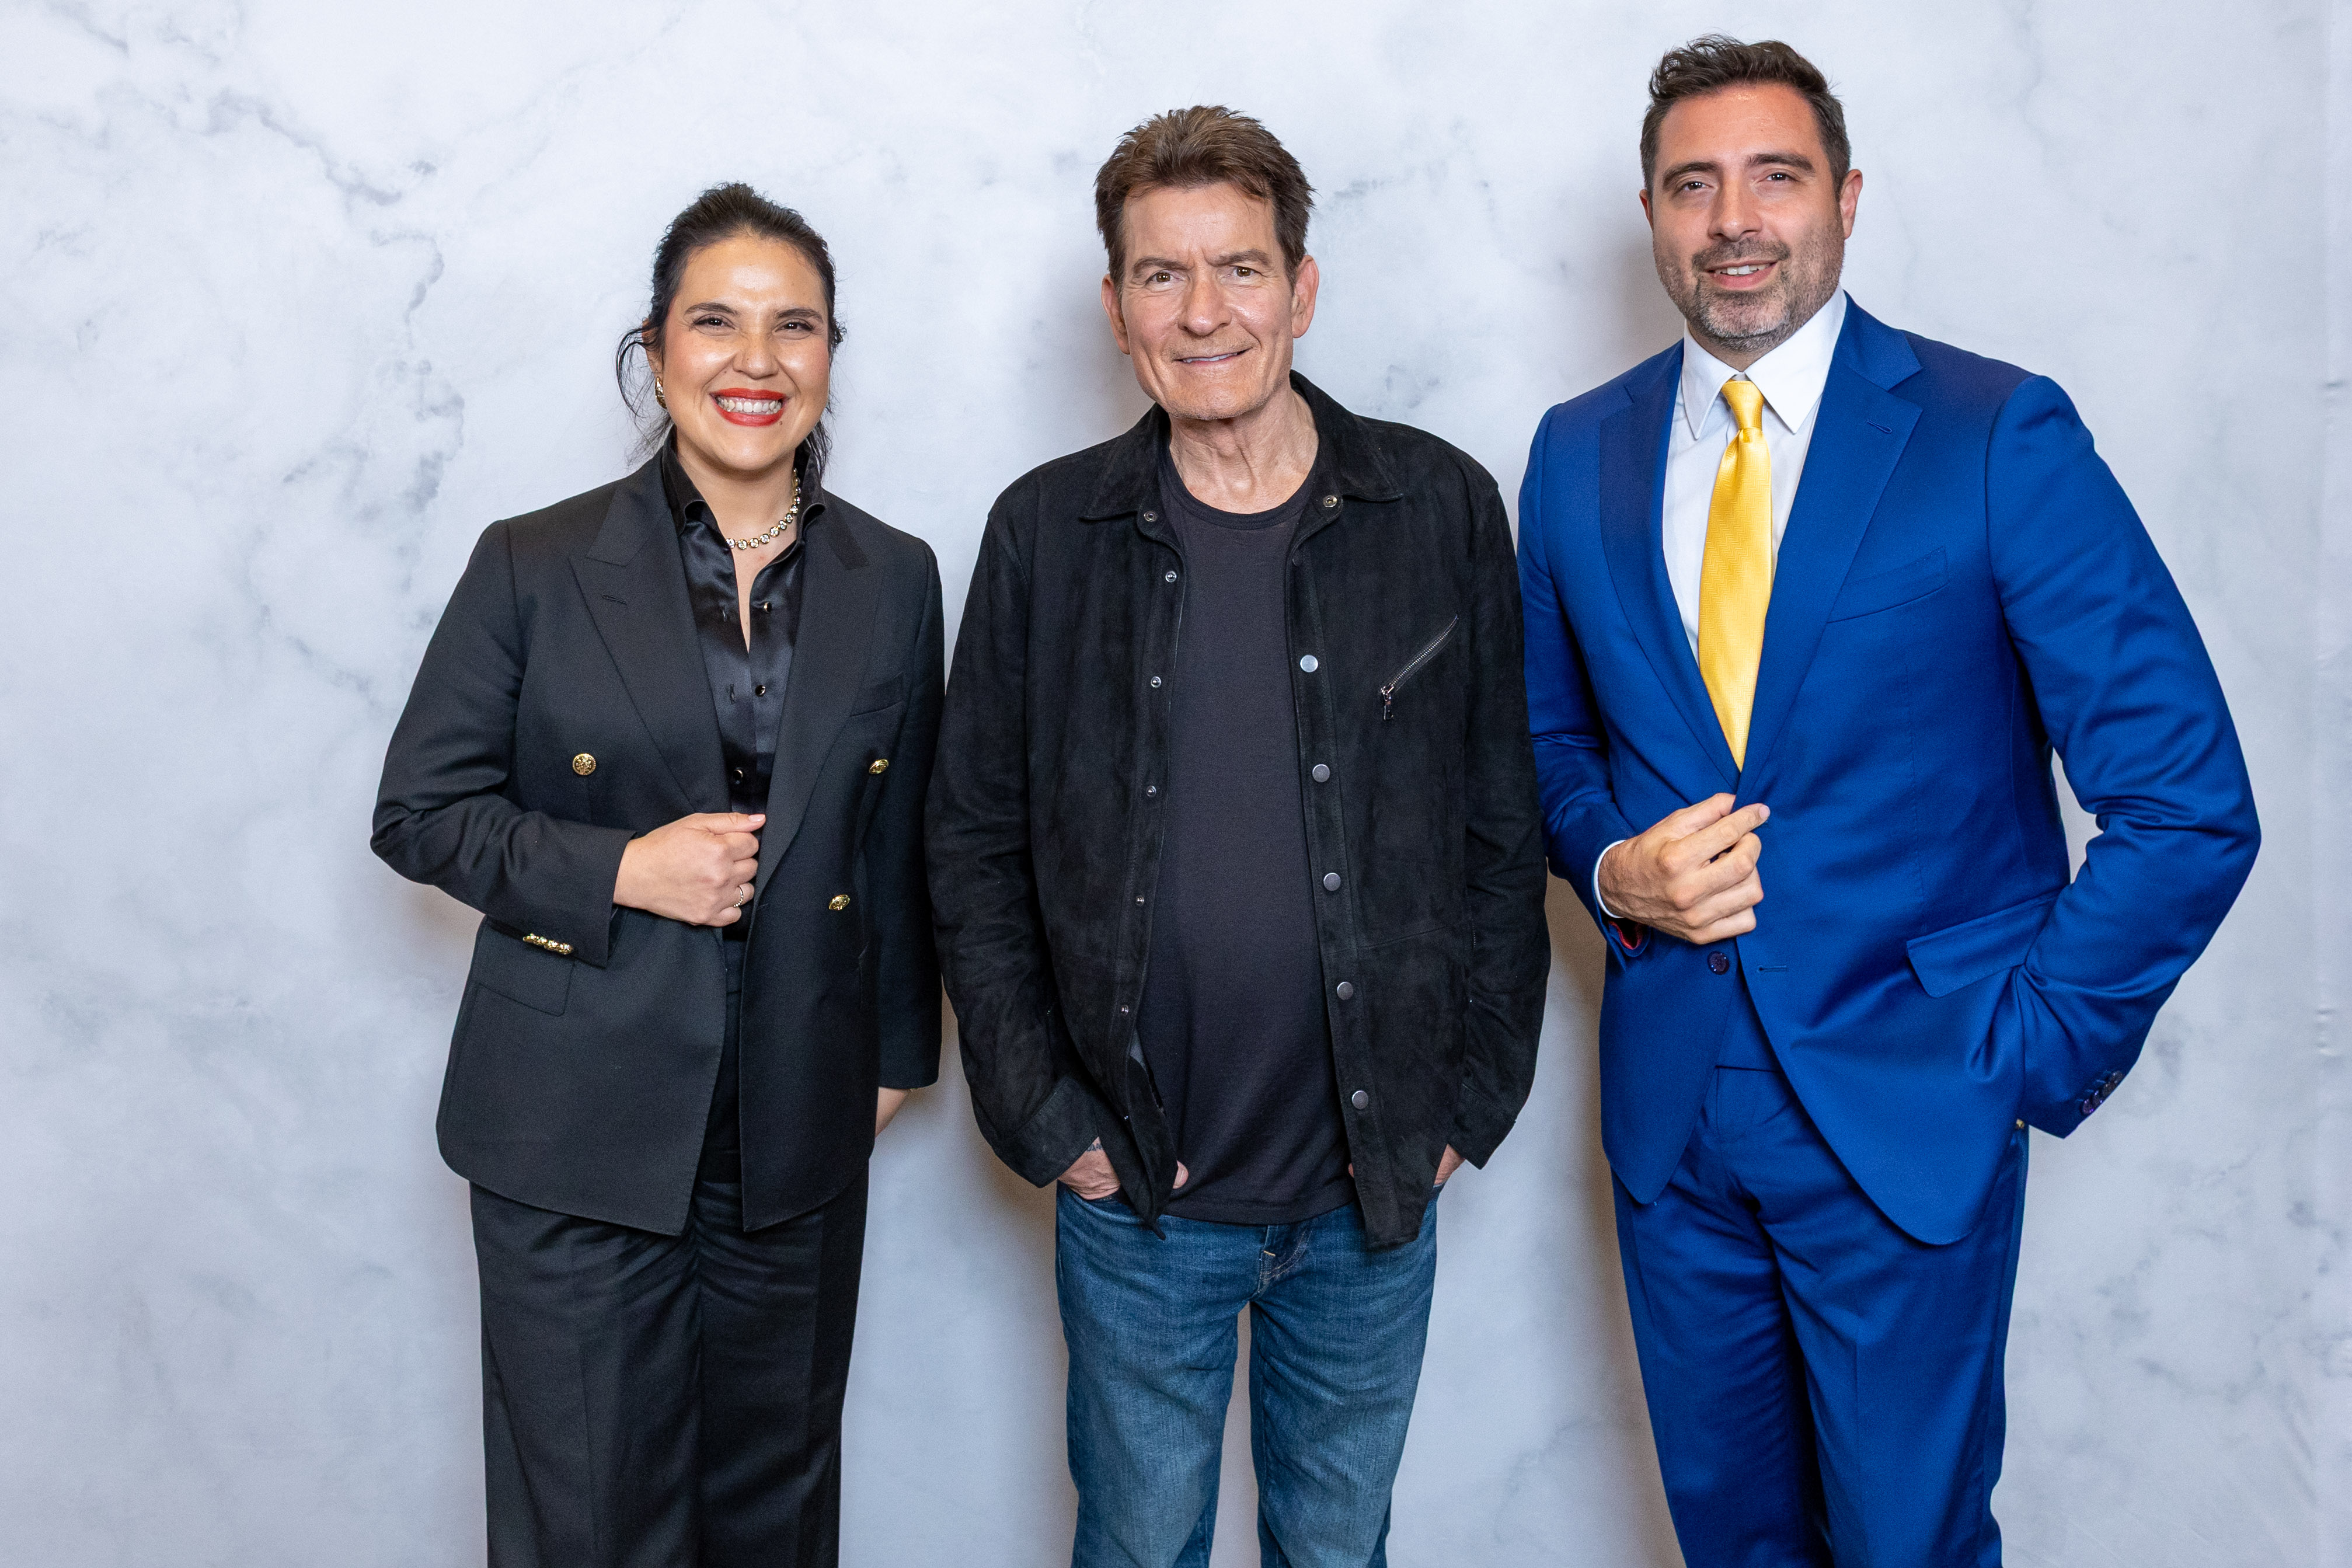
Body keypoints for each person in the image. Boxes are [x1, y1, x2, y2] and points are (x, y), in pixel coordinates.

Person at [1517, 36, 2260, 1566]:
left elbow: (2184, 797)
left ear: (1844, 200)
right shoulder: (1574, 451)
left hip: (1908, 1104)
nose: (1733, 219)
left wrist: (2011, 1050)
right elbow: (1544, 741)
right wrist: (1608, 868)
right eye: (1691, 184)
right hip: (1672, 1120)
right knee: (1729, 1543)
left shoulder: (1994, 434)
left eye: (1773, 177)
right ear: (1649, 216)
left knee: (1903, 1545)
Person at [928, 106, 1550, 1567]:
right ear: (1115, 306)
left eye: (1240, 269)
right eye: (1162, 274)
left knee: (1334, 1548)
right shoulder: (1044, 534)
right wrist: (1050, 1123)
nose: (1202, 311)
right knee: (1138, 1547)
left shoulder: (1437, 507)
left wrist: (1465, 1104)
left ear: (1301, 287)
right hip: (1138, 1194)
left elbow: (1496, 823)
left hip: (1371, 1191)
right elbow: (970, 845)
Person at [371, 183, 943, 1567]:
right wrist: (622, 865)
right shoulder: (535, 561)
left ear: (830, 353)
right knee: (592, 1525)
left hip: (794, 1132)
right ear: (655, 347)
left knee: (774, 1520)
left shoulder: (896, 575)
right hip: (573, 1125)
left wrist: (890, 1059)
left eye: (793, 325)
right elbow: (419, 811)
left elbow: (904, 839)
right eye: (715, 322)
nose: (756, 360)